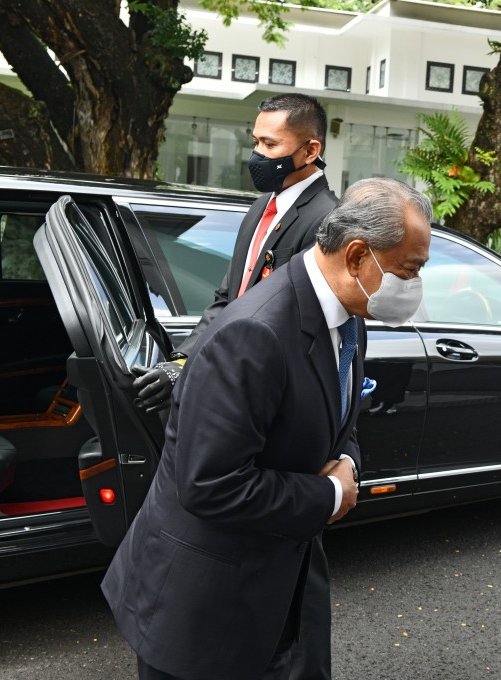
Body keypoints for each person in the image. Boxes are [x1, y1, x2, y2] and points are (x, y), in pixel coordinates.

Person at [103, 178, 433, 680]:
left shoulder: (349, 310)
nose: (414, 286)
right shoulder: (253, 333)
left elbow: (341, 419)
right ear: (357, 255)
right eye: (409, 270)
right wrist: (327, 494)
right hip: (205, 606)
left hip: (284, 579)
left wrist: (347, 463)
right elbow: (210, 485)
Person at [132, 92, 339, 411]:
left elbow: (296, 327)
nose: (257, 155)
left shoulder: (326, 222)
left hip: (266, 395)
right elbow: (229, 299)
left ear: (311, 150)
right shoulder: (260, 208)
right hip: (229, 382)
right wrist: (182, 362)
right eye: (256, 142)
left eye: (270, 145)